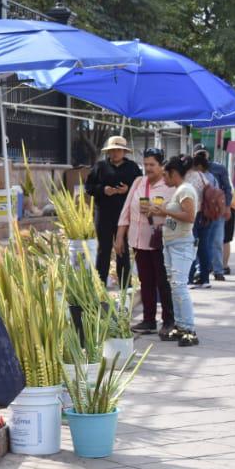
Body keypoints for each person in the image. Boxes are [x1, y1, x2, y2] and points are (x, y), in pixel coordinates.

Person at [115, 149, 174, 337]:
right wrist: (119, 237)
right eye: (145, 164)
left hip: (159, 241)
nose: (148, 168)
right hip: (137, 240)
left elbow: (177, 216)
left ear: (161, 165)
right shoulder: (138, 182)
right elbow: (125, 210)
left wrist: (159, 210)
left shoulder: (170, 186)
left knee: (162, 282)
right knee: (145, 281)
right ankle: (149, 320)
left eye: (152, 165)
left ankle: (169, 320)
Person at [155, 156, 201, 347]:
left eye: (165, 174)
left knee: (180, 286)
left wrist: (165, 212)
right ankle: (181, 325)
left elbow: (189, 217)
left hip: (181, 244)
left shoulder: (185, 190)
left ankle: (189, 329)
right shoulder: (178, 191)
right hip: (172, 244)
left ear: (174, 173)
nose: (163, 179)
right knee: (175, 286)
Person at [84, 135, 141, 287]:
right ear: (108, 152)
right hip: (103, 214)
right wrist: (103, 190)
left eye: (118, 150)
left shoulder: (133, 168)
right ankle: (99, 284)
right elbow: (88, 187)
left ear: (124, 152)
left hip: (125, 215)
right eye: (112, 150)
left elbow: (141, 189)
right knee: (104, 249)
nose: (115, 153)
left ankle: (125, 285)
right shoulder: (99, 167)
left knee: (122, 249)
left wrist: (128, 190)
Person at [186, 149, 224, 288]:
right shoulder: (206, 177)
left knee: (190, 246)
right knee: (204, 247)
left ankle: (189, 278)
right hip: (206, 216)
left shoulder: (188, 177)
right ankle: (205, 279)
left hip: (193, 216)